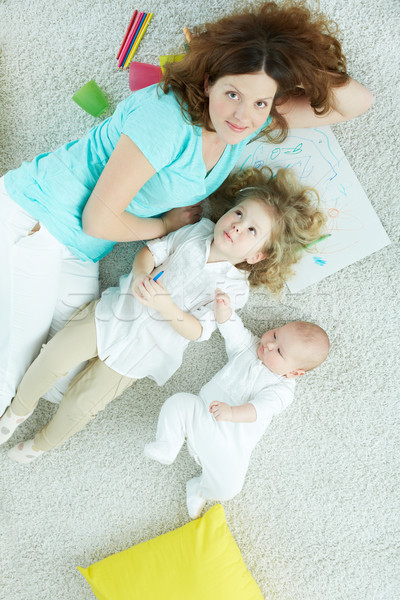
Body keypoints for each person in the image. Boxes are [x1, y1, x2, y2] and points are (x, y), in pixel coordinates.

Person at [0, 0, 372, 414]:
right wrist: (163, 226)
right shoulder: (167, 122)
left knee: (61, 380)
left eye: (260, 103)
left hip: (84, 245)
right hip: (37, 220)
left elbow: (356, 102)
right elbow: (98, 217)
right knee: (13, 373)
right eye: (233, 93)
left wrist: (288, 57)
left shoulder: (249, 122)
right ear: (210, 80)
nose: (243, 115)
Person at [0, 166, 326, 463]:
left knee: (80, 406)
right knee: (52, 357)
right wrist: (142, 274)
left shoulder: (234, 288)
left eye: (252, 230)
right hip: (113, 313)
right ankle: (17, 410)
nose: (238, 226)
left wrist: (168, 308)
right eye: (239, 214)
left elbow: (198, 331)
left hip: (143, 352)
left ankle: (41, 444)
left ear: (256, 255)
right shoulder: (196, 232)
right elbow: (149, 251)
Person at [144, 290, 330, 519]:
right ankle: (167, 444)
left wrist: (232, 413)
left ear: (294, 372)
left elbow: (260, 409)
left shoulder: (282, 389)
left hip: (230, 447)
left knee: (230, 488)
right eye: (274, 335)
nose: (269, 345)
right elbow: (234, 331)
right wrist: (224, 311)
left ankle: (200, 488)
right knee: (177, 402)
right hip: (202, 413)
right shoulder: (248, 347)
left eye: (279, 351)